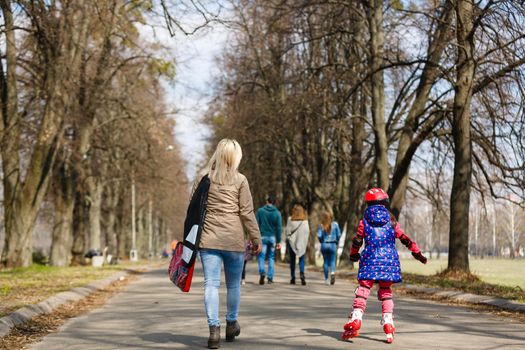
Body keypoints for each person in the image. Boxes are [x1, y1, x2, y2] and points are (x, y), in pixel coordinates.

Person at [196, 138, 262, 349]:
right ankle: (231, 324)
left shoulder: (204, 177)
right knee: (233, 284)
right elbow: (246, 212)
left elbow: (193, 209)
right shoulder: (240, 179)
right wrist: (255, 238)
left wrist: (190, 239)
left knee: (211, 284)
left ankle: (213, 331)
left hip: (208, 239)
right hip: (233, 240)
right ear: (235, 157)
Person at [342, 188, 427, 344]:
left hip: (369, 261)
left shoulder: (364, 222)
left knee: (363, 291)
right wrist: (417, 253)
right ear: (384, 203)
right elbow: (405, 239)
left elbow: (357, 241)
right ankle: (388, 323)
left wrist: (354, 254)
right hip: (389, 263)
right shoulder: (392, 221)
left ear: (368, 204)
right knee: (386, 292)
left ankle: (356, 318)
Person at [256, 194, 282, 285]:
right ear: (274, 203)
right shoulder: (277, 213)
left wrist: (255, 238)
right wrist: (278, 241)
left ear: (267, 201)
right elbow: (279, 228)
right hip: (272, 238)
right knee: (271, 257)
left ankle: (262, 272)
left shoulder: (260, 211)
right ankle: (270, 277)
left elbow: (256, 225)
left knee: (261, 256)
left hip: (262, 237)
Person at [284, 203, 309, 285]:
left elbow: (287, 231)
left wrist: (289, 238)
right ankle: (302, 274)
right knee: (301, 259)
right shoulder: (305, 221)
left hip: (292, 243)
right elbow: (307, 232)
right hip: (301, 243)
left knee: (292, 260)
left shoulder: (290, 219)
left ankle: (293, 277)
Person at [317, 211, 341, 285]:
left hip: (324, 244)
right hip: (333, 244)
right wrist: (336, 240)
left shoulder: (321, 225)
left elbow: (319, 236)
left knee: (326, 262)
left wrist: (321, 241)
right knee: (332, 261)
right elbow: (339, 234)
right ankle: (333, 272)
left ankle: (326, 279)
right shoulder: (335, 224)